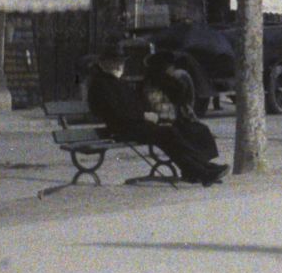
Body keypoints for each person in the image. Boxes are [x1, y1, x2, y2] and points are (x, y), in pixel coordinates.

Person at [85, 46, 226, 185]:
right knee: (168, 133)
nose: (119, 65)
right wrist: (144, 116)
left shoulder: (116, 81)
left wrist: (146, 115)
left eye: (121, 62)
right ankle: (201, 170)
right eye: (115, 62)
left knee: (172, 132)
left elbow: (135, 104)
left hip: (135, 124)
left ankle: (200, 169)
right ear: (104, 63)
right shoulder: (100, 83)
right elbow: (115, 112)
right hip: (121, 128)